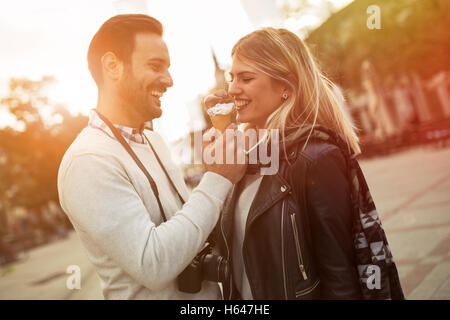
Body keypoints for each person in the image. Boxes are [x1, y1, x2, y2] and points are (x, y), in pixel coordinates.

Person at [57, 14, 246, 299]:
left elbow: (191, 227)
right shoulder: (87, 161)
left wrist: (223, 169)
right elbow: (154, 264)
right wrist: (218, 178)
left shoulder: (153, 140)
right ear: (112, 66)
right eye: (155, 66)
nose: (169, 80)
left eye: (167, 68)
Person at [206, 28, 404, 299]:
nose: (231, 89)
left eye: (246, 78)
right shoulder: (246, 158)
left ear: (286, 86)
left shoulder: (316, 159)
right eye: (231, 78)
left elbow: (340, 276)